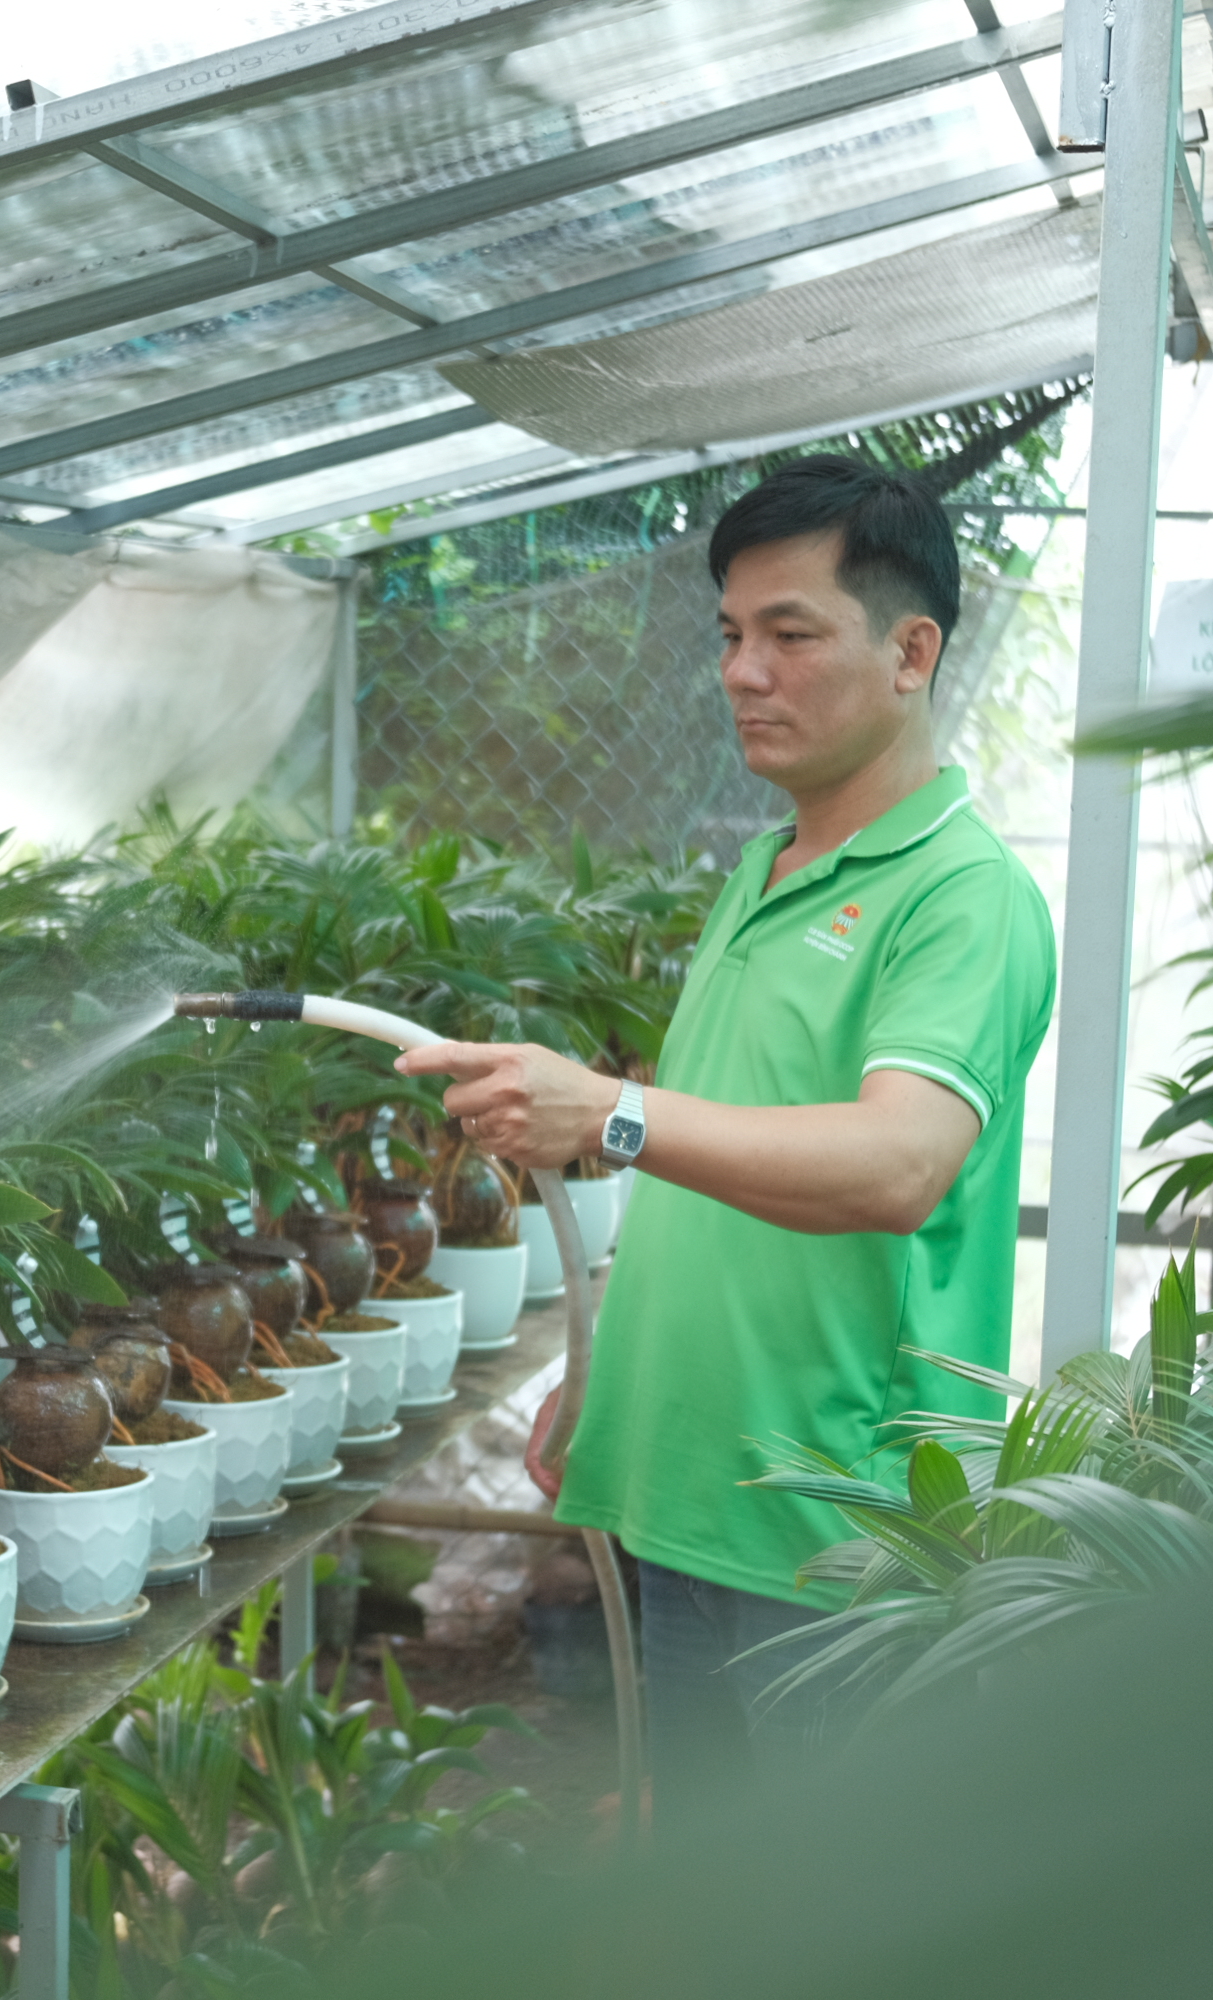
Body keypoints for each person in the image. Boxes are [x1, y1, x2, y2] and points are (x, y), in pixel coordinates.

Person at [394, 454, 1056, 1802]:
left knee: (831, 1947)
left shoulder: (962, 898)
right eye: (730, 636)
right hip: (686, 1494)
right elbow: (718, 1162)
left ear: (911, 651)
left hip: (835, 1533)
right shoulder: (768, 869)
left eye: (791, 634)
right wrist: (612, 1361)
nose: (742, 673)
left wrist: (610, 1113)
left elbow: (898, 1164)